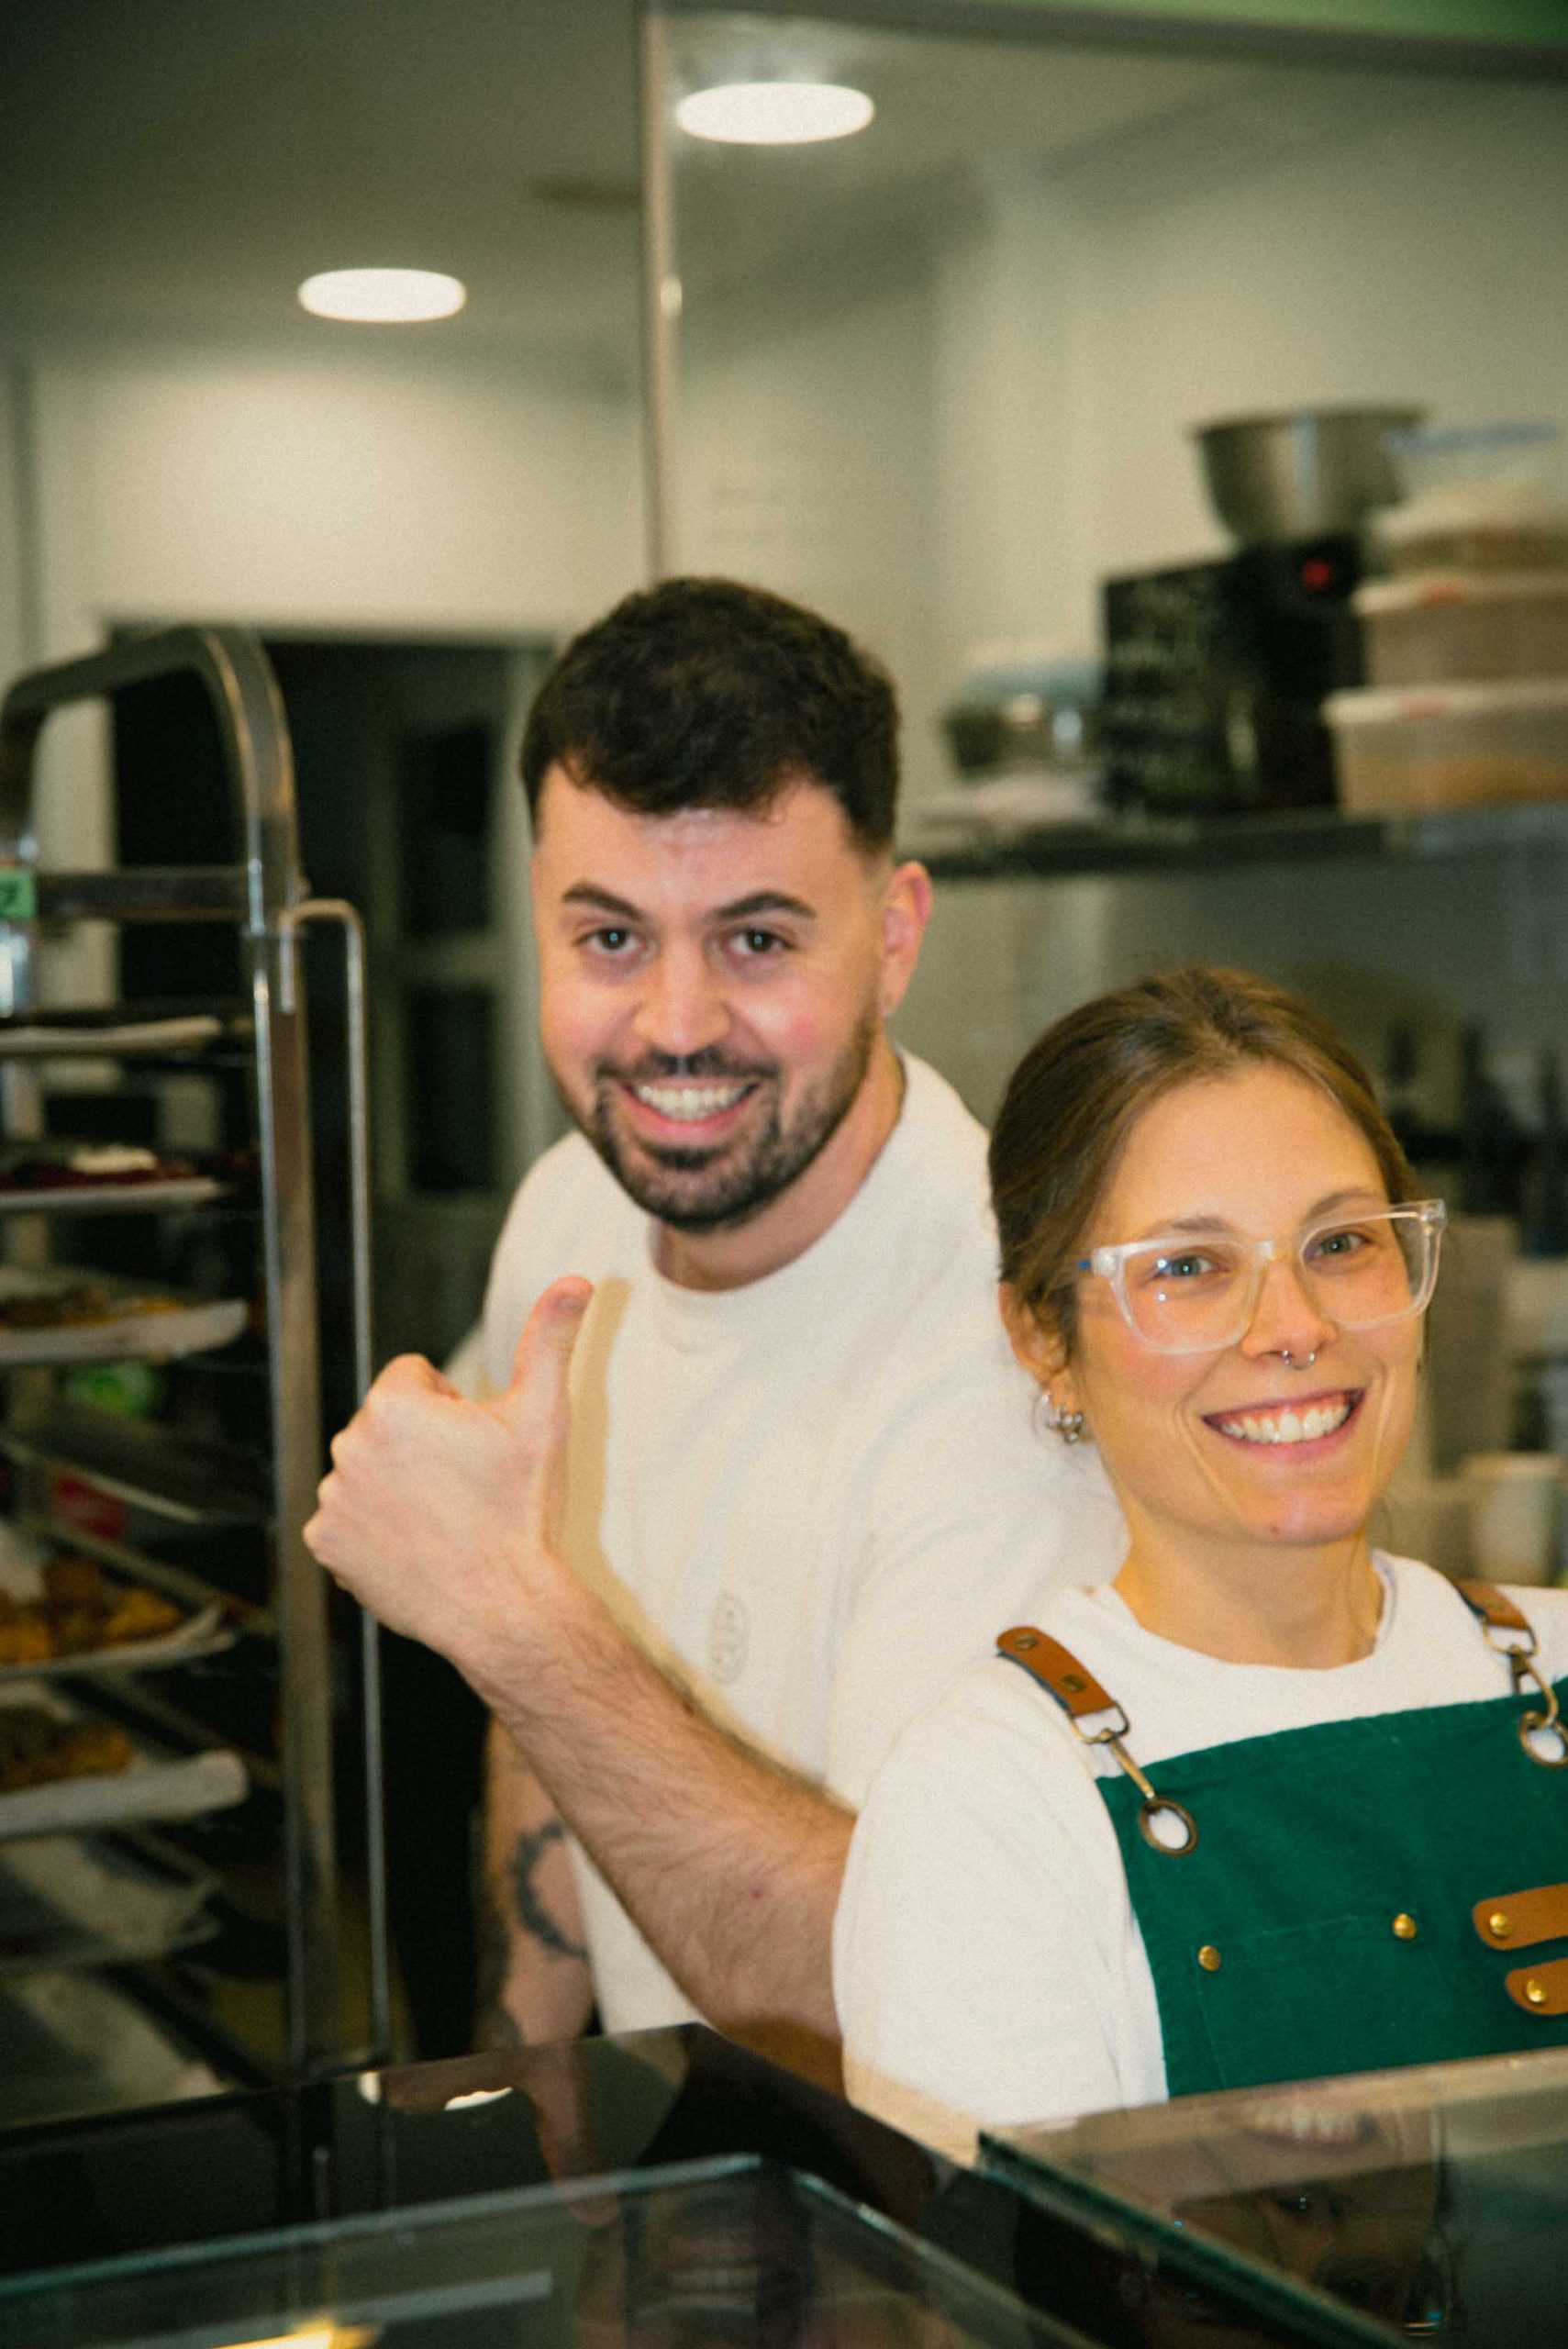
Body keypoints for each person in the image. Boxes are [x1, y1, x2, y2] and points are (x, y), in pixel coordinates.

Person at [306, 577, 1125, 2079]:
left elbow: (895, 1993)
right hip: (661, 2157)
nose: (674, 1025)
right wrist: (520, 2103)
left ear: (891, 936)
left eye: (755, 940)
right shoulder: (568, 1216)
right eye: (608, 938)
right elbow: (540, 1749)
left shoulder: (1010, 1352)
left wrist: (503, 1613)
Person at [835, 964, 1568, 2152]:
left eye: (1340, 1243)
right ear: (1042, 1341)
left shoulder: (1557, 1667)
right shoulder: (989, 1803)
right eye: (1186, 1267)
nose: (1292, 1328)